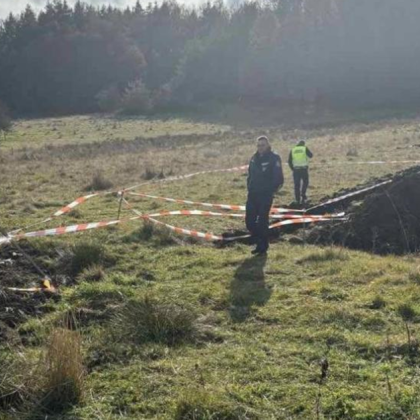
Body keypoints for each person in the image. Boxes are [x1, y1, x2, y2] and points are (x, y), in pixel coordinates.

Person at [246, 136, 284, 256]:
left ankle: (262, 246)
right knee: (249, 222)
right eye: (258, 145)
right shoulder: (254, 158)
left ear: (268, 145)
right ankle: (260, 241)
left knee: (262, 220)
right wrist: (249, 187)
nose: (260, 148)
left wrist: (271, 191)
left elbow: (279, 177)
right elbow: (250, 175)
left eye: (262, 145)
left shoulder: (274, 158)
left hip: (265, 195)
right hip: (253, 194)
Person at [288, 140, 313, 206]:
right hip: (303, 169)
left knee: (296, 185)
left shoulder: (293, 150)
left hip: (296, 170)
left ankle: (297, 199)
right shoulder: (304, 148)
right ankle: (303, 194)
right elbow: (311, 155)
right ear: (303, 144)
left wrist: (293, 169)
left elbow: (289, 161)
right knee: (305, 182)